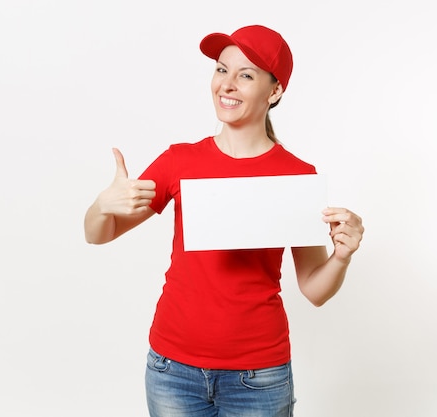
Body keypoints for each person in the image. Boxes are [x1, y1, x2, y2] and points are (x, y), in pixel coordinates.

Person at [84, 24, 364, 417]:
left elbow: (315, 290)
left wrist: (342, 257)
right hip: (173, 370)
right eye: (221, 69)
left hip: (259, 376)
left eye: (245, 75)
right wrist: (101, 206)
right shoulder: (179, 161)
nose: (227, 85)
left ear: (275, 91)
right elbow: (98, 234)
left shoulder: (297, 176)